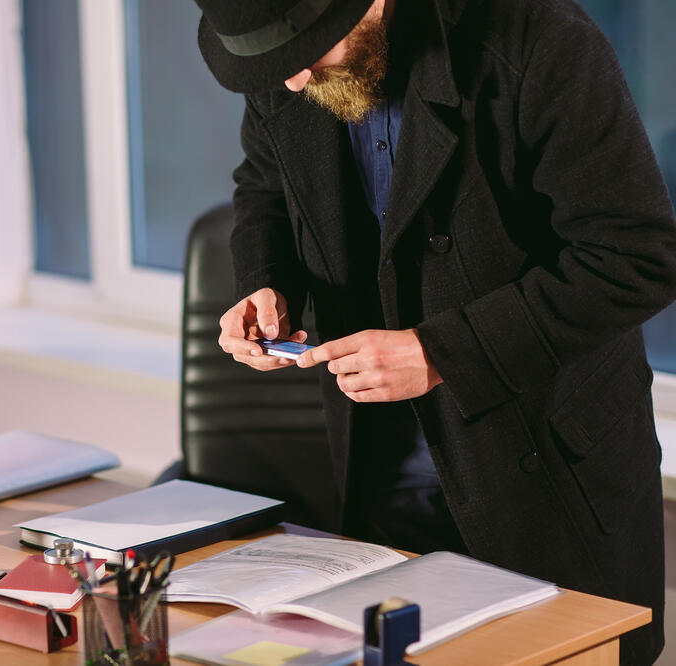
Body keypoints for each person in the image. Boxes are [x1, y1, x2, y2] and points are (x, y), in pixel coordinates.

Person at [193, 0, 676, 662]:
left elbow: (636, 258)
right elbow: (266, 186)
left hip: (544, 476)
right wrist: (265, 279)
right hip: (380, 477)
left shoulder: (542, 41)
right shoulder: (289, 61)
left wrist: (442, 352)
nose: (294, 82)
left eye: (308, 53)